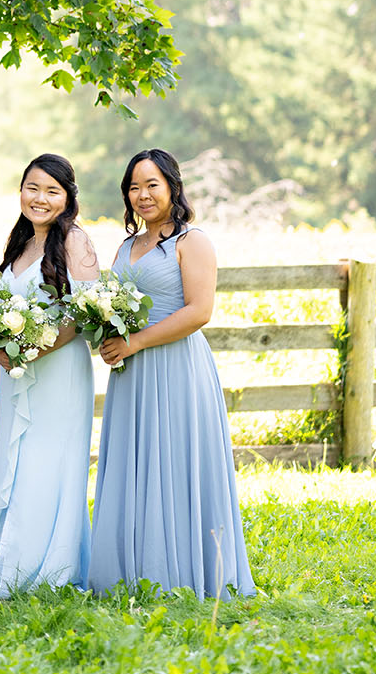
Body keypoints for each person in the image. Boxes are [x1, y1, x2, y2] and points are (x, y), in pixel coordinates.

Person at [89, 149, 256, 598]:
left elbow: (200, 311)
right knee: (137, 462)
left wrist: (136, 341)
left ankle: (185, 569)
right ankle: (134, 567)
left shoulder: (191, 241)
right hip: (132, 373)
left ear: (173, 187)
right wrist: (108, 336)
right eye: (134, 187)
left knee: (177, 461)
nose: (142, 195)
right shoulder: (126, 246)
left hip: (177, 367)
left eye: (151, 185)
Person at [0, 154, 97, 594]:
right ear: (21, 192)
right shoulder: (19, 242)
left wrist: (33, 349)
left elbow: (86, 313)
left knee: (48, 465)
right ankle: (14, 569)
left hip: (59, 372)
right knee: (17, 463)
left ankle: (52, 574)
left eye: (52, 191)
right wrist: (2, 347)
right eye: (32, 188)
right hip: (17, 375)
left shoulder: (75, 240)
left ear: (68, 198)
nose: (40, 198)